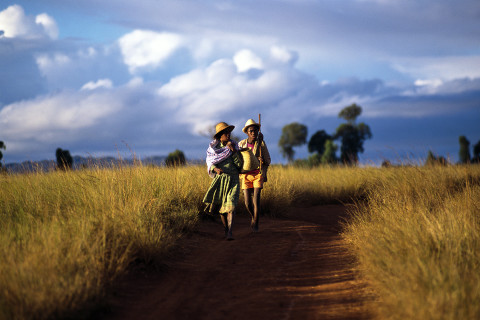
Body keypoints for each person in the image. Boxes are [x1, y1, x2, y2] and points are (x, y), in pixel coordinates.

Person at [203, 122, 243, 240]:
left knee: (231, 206)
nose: (228, 134)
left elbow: (239, 165)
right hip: (220, 180)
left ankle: (230, 232)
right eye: (225, 133)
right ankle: (226, 229)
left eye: (229, 132)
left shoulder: (234, 146)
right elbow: (210, 163)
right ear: (219, 136)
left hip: (233, 179)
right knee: (222, 208)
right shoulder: (214, 149)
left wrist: (234, 151)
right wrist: (215, 169)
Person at [238, 119, 271, 232]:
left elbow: (268, 160)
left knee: (256, 199)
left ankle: (256, 223)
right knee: (247, 203)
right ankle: (253, 216)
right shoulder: (241, 144)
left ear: (258, 131)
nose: (253, 133)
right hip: (245, 175)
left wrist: (263, 161)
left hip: (258, 174)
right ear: (247, 132)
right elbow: (239, 159)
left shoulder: (261, 144)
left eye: (255, 130)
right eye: (251, 131)